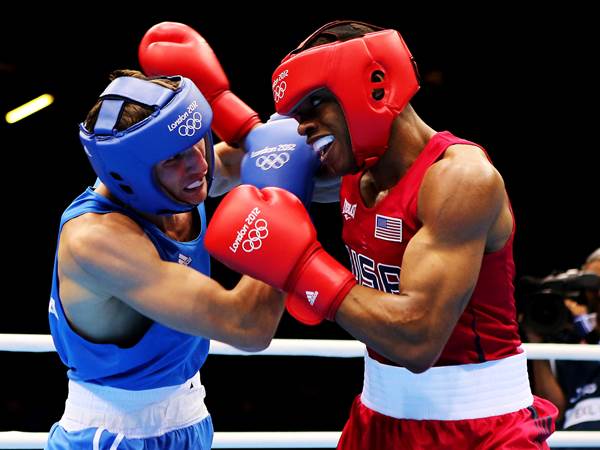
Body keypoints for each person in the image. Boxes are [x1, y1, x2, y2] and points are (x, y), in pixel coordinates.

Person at [205, 20, 559, 449]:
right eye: (297, 114)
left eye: (315, 103)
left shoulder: (460, 180)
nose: (302, 127)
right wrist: (148, 163)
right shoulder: (351, 167)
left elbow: (417, 339)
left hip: (480, 426)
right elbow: (223, 166)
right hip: (377, 418)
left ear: (375, 85)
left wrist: (301, 269)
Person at [45, 68, 319, 449]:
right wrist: (288, 204)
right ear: (130, 174)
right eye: (175, 157)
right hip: (113, 435)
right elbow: (248, 325)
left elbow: (268, 159)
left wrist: (303, 141)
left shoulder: (176, 182)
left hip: (189, 419)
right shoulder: (95, 239)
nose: (200, 165)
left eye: (197, 141)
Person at [526, 248, 600, 450]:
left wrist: (586, 325)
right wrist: (537, 344)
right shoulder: (565, 341)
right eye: (591, 285)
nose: (596, 293)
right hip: (571, 441)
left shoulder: (585, 329)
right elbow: (554, 411)